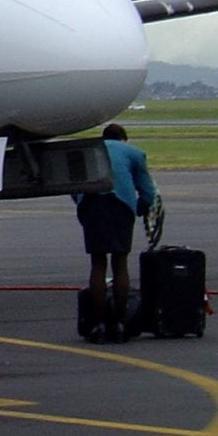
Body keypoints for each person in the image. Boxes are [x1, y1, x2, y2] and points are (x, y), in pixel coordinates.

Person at [74, 121, 158, 341]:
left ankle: (99, 324)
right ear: (124, 139)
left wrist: (83, 207)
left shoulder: (92, 150)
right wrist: (138, 210)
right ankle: (119, 324)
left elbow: (75, 185)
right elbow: (148, 193)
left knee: (98, 263)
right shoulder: (134, 153)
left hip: (92, 204)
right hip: (120, 207)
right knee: (120, 263)